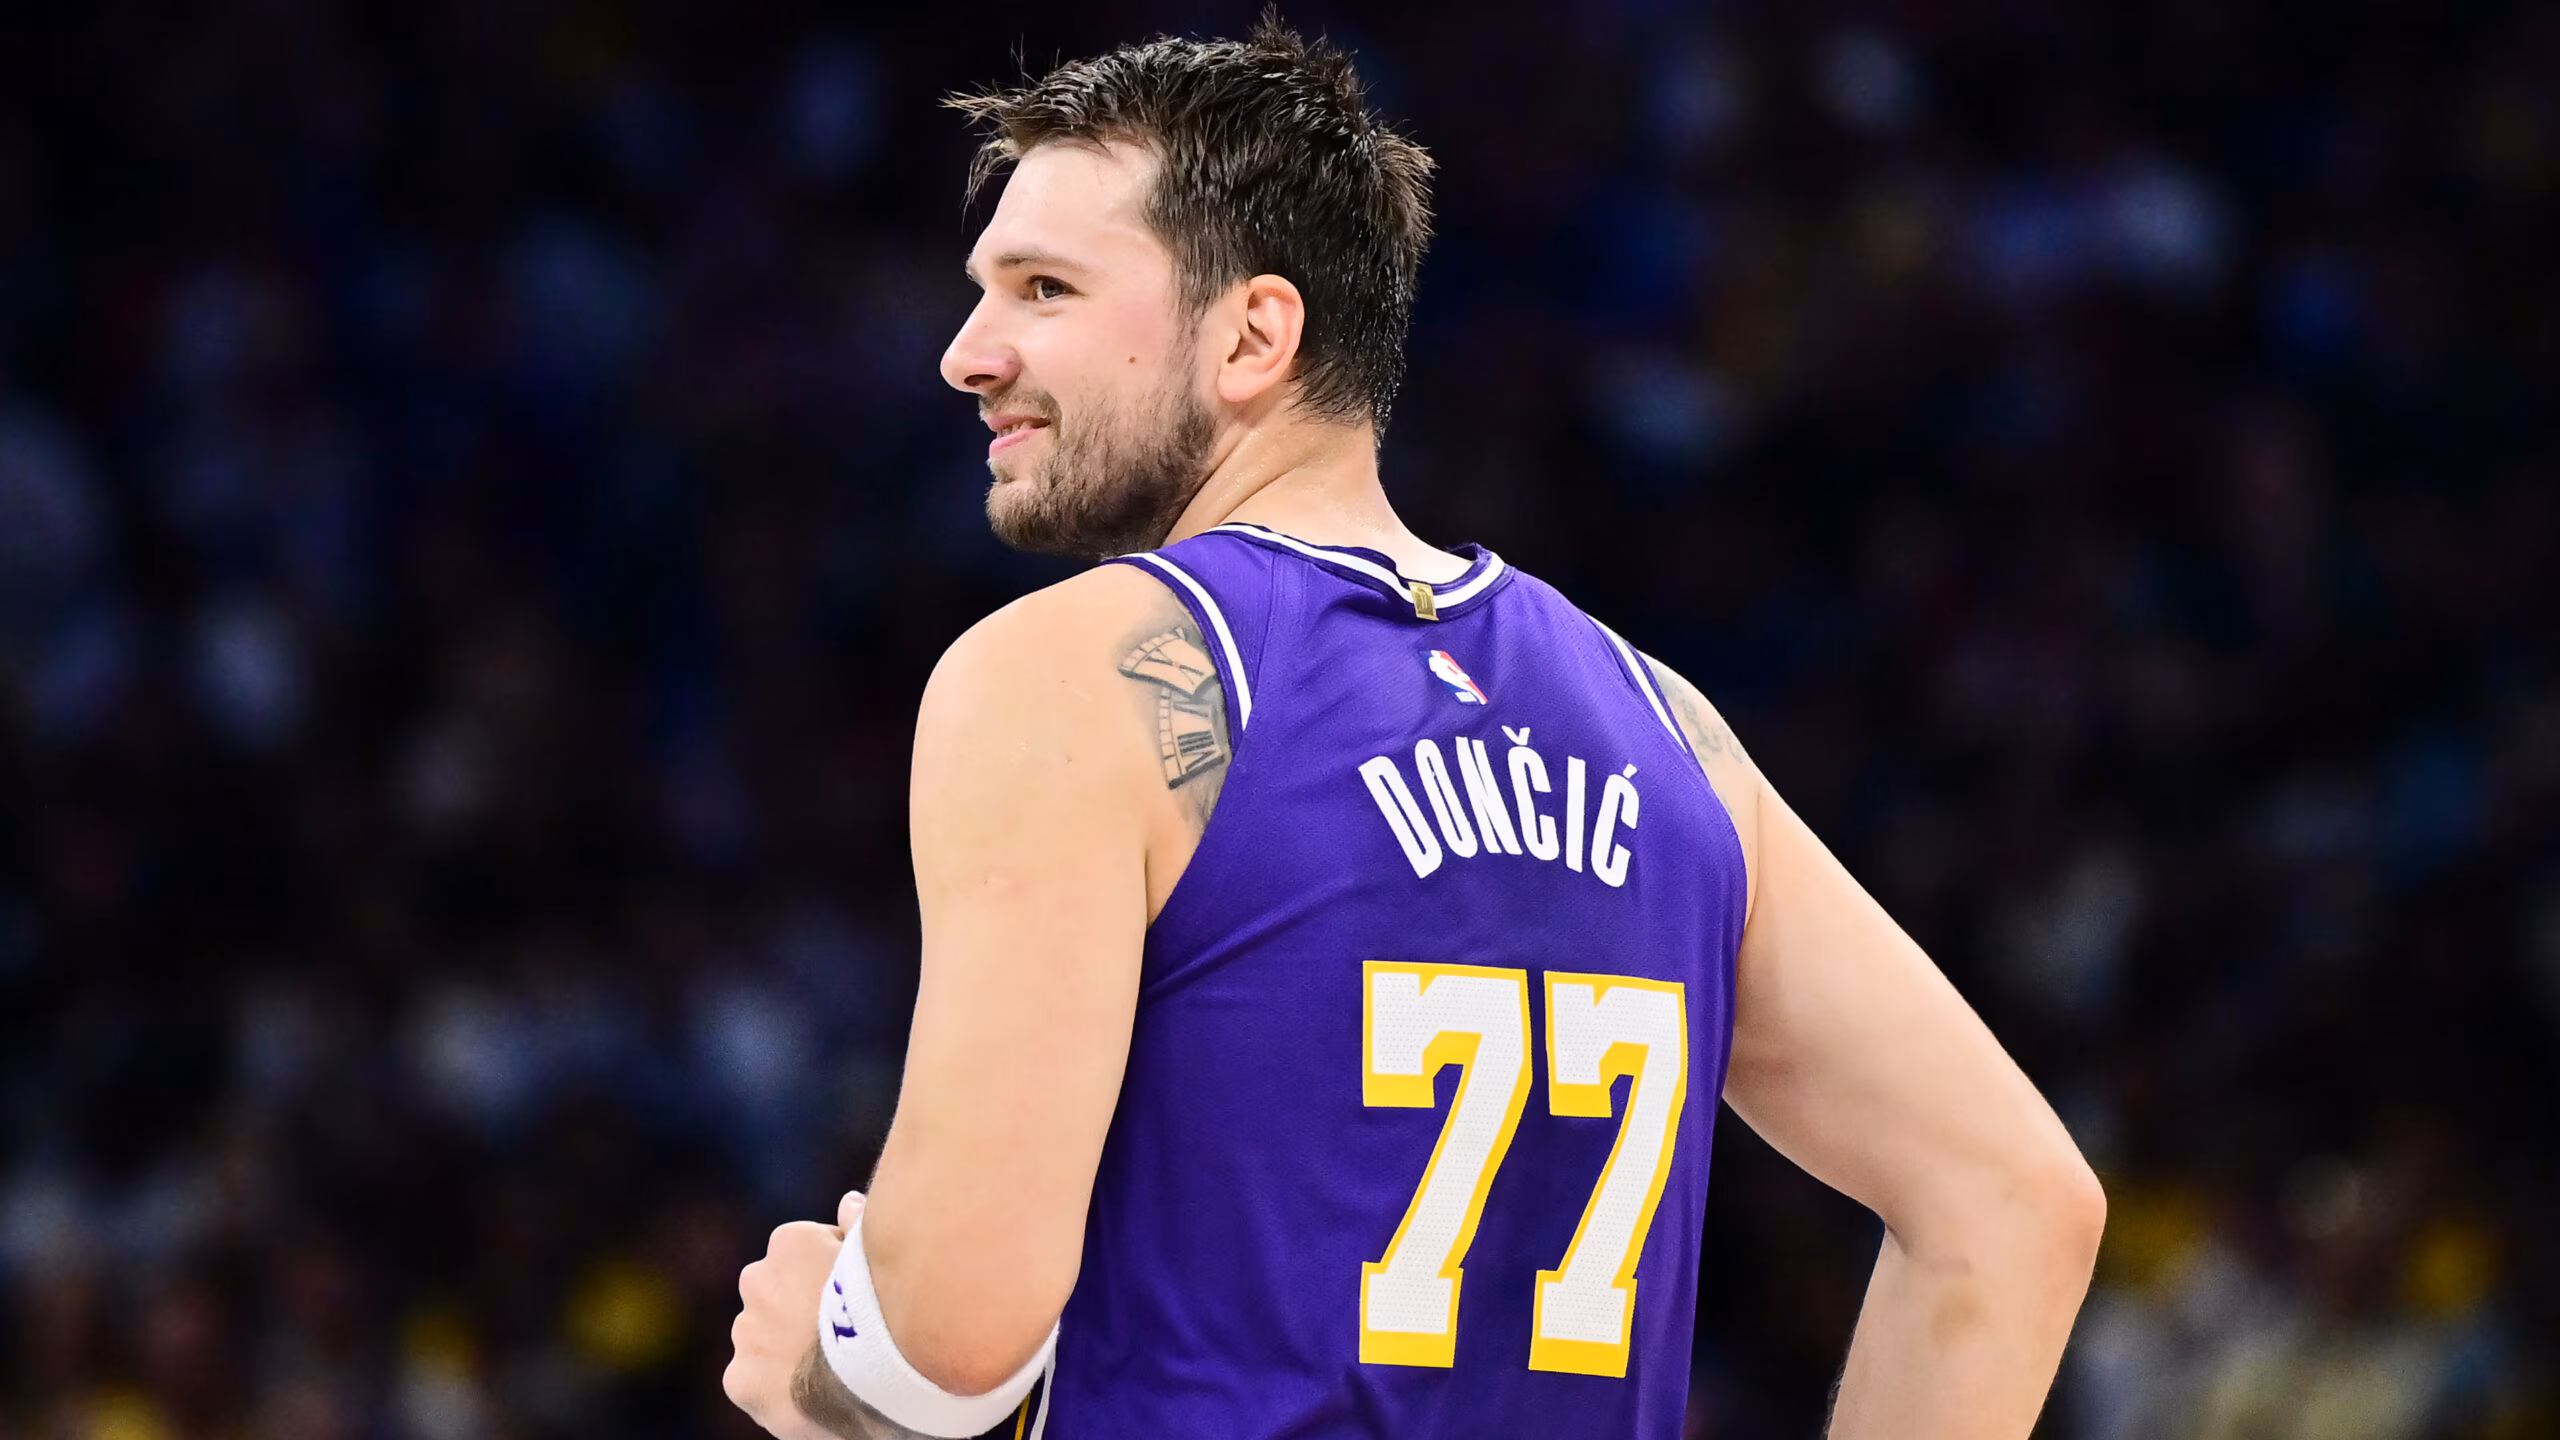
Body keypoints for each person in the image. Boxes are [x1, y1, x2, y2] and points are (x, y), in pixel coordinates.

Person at [724, 19, 2105, 1440]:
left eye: (1044, 289)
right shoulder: (1666, 729)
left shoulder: (1072, 676)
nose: (968, 354)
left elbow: (952, 1336)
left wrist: (822, 1369)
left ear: (1253, 335)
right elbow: (2013, 1205)